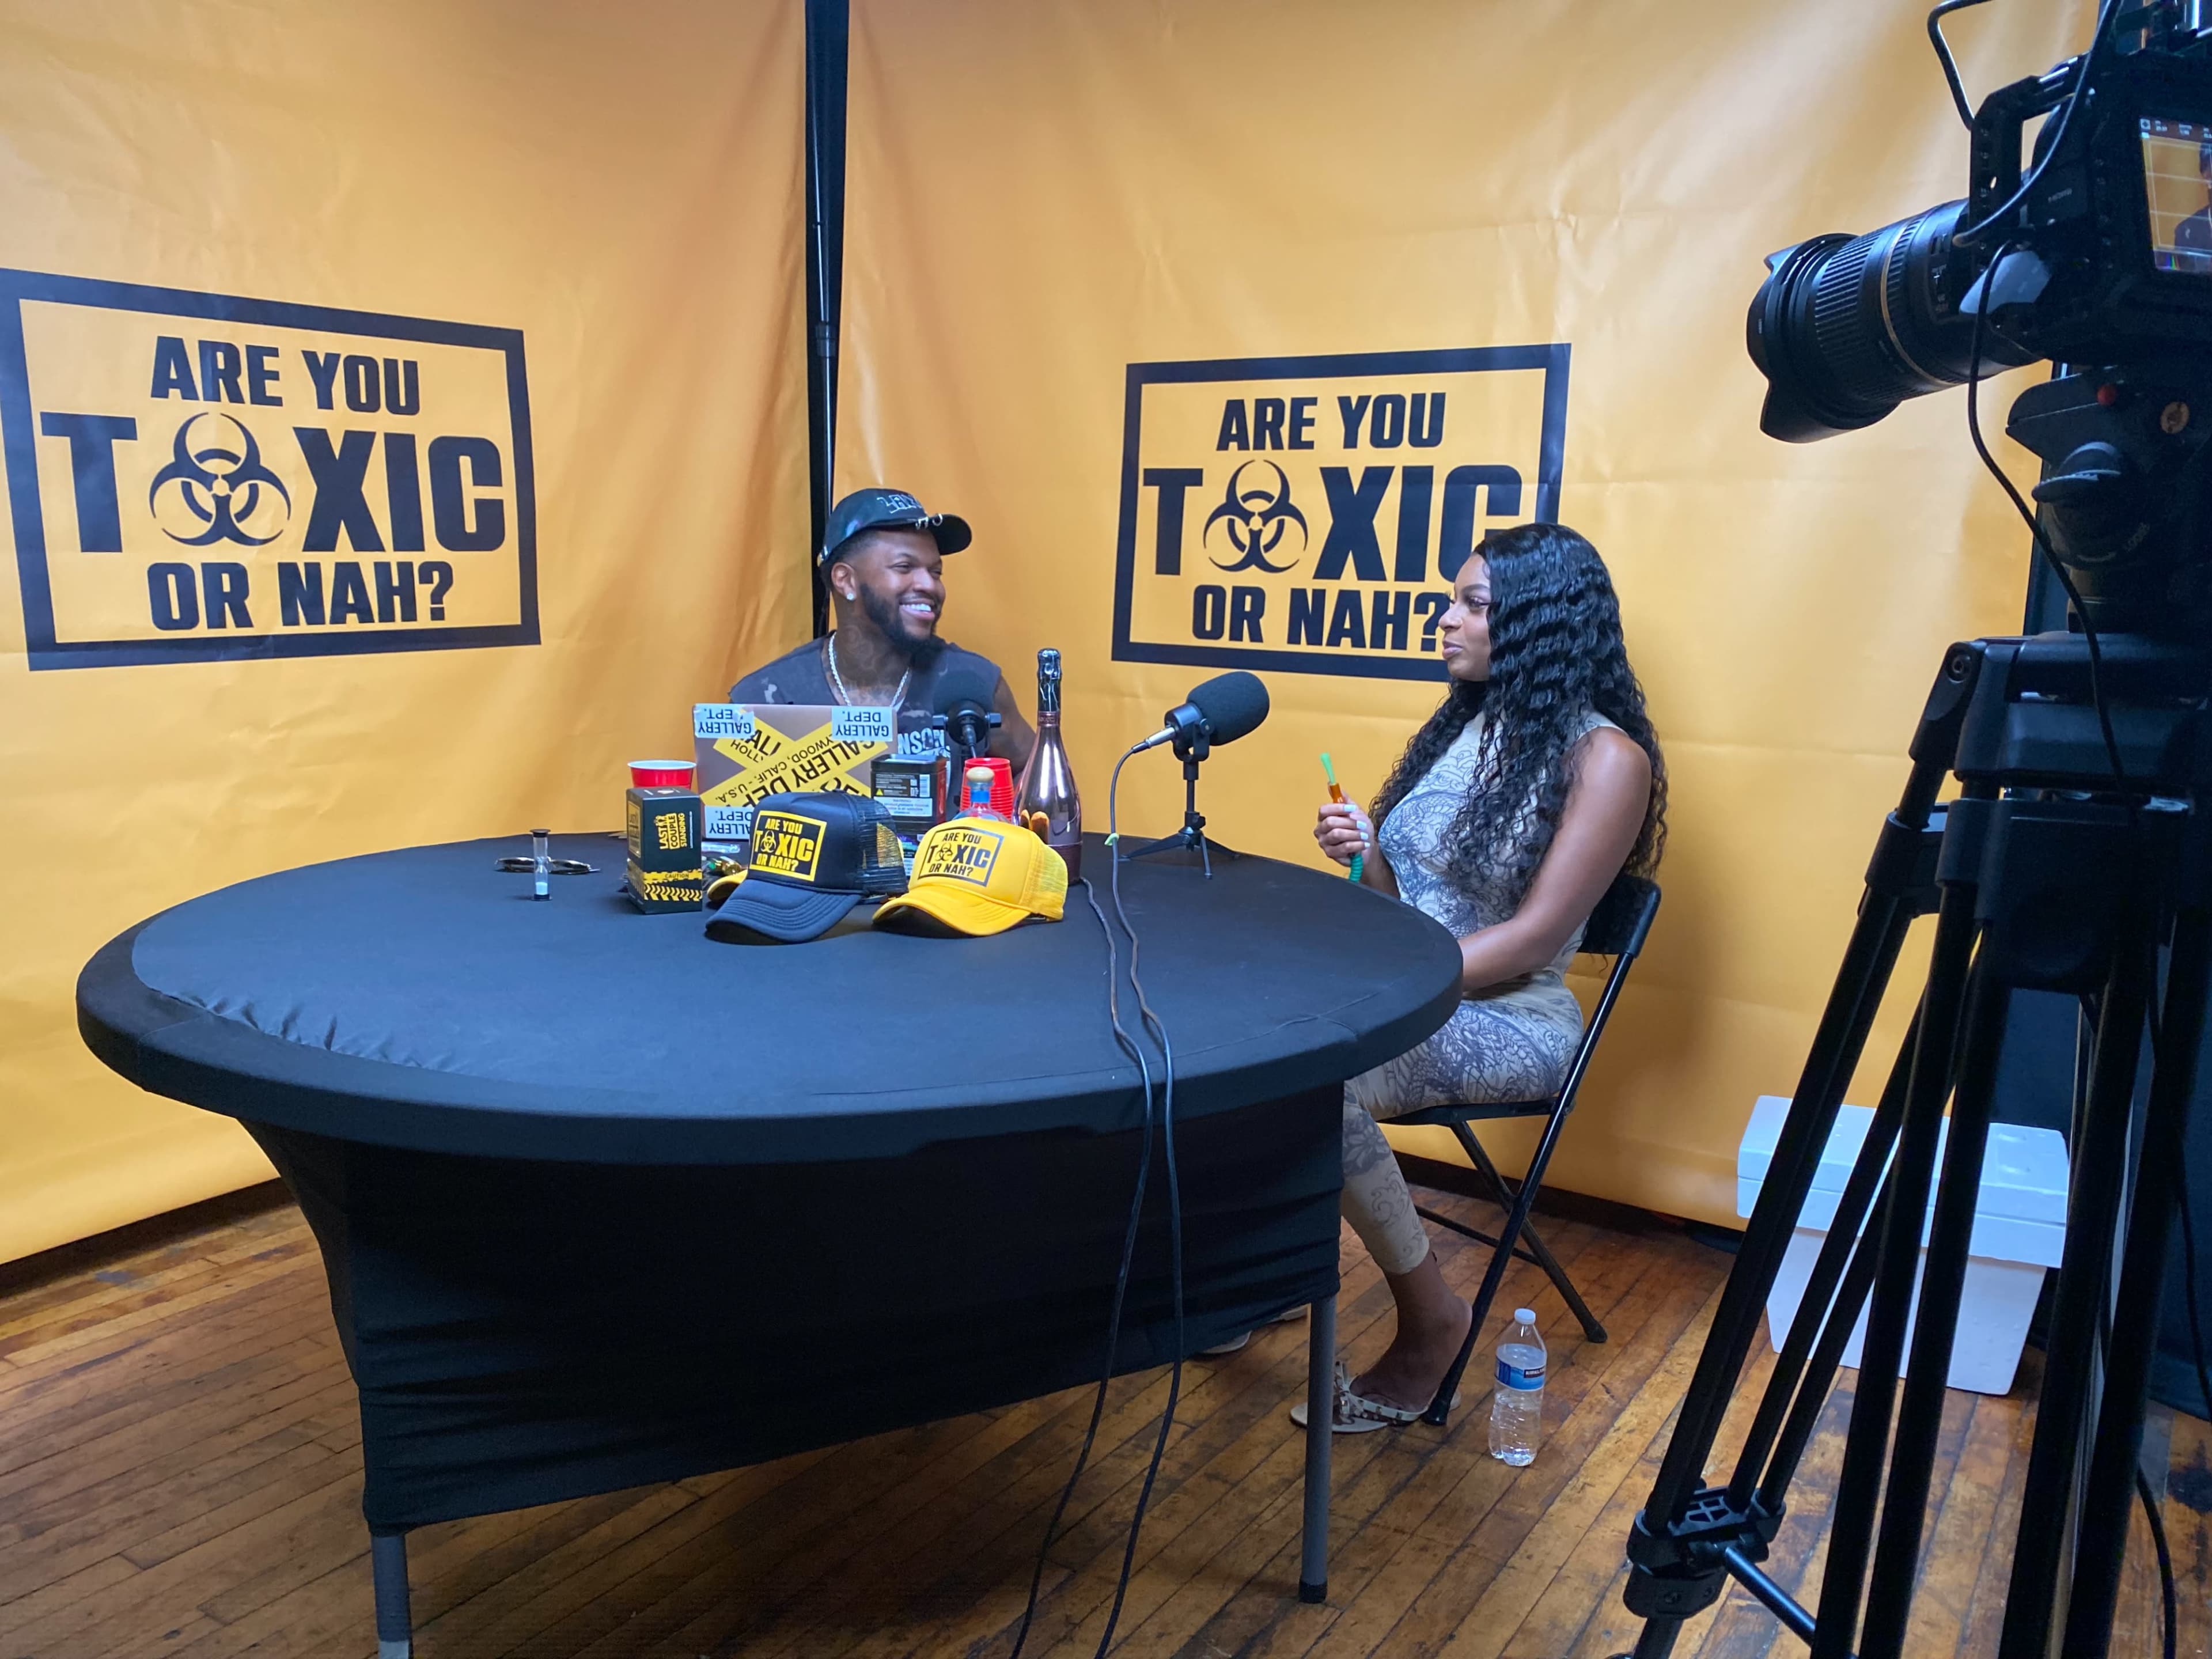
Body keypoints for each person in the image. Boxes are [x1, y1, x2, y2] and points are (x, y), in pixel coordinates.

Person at [1298, 521, 1666, 1432]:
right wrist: (1369, 856)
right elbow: (1408, 913)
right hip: (1415, 993)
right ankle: (1257, 1280)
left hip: (1510, 1015)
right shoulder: (1467, 726)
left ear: (1540, 622)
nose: (1446, 619)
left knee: (1311, 1084)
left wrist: (1394, 992)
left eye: (1473, 605)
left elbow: (1535, 939)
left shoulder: (1606, 759)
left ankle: (1434, 1322)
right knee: (1240, 1055)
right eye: (1451, 600)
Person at [731, 487, 1035, 772]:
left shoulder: (974, 685)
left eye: (935, 572)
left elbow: (1038, 776)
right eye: (905, 567)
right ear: (846, 580)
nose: (930, 585)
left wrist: (992, 805)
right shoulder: (768, 698)